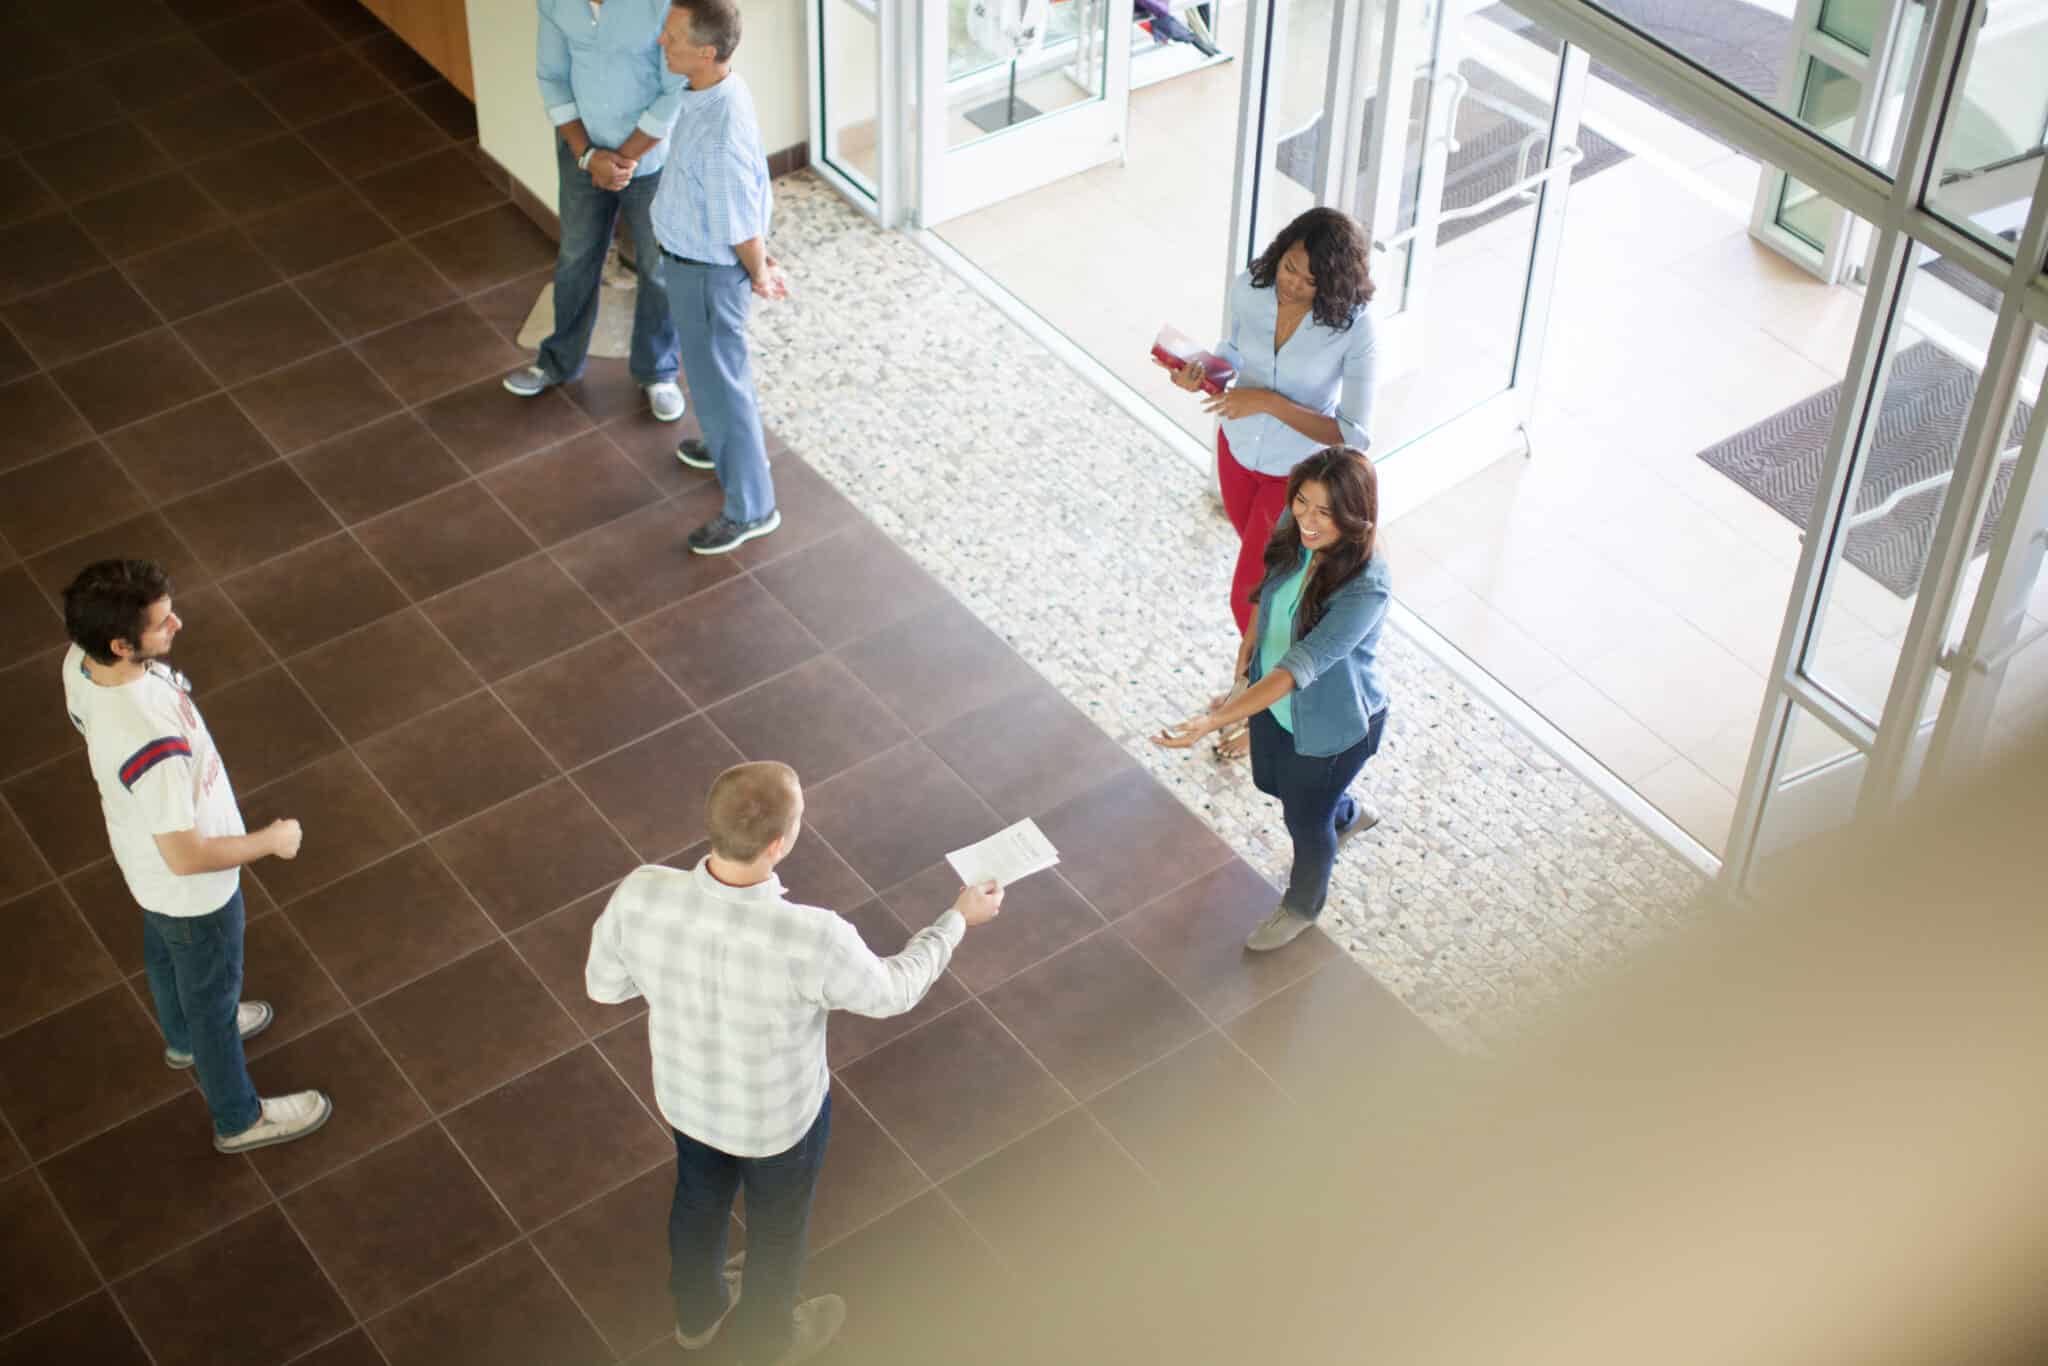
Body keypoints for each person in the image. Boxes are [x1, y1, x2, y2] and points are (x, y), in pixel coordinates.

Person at [585, 760, 1003, 1365]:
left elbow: (605, 987)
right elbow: (893, 993)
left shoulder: (642, 890)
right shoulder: (813, 936)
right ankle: (767, 1344)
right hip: (778, 1125)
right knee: (777, 1230)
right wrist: (956, 921)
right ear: (779, 844)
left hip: (687, 1100)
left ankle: (696, 1319)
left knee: (698, 1200)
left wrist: (669, 979)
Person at [58, 560, 332, 1154]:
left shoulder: (81, 665)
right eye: (161, 624)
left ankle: (182, 1038)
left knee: (166, 952)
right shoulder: (149, 743)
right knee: (212, 997)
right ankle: (239, 1117)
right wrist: (271, 841)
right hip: (192, 891)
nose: (177, 624)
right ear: (120, 643)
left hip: (144, 869)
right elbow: (186, 857)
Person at [1152, 447, 1389, 951]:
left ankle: (1302, 906)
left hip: (1332, 729)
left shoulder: (1366, 588)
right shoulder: (1298, 526)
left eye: (1325, 511)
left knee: (1304, 822)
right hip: (1273, 708)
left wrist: (1213, 721)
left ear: (1355, 515)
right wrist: (1245, 657)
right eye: (1302, 501)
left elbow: (1295, 670)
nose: (1306, 518)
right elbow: (1271, 584)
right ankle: (1345, 812)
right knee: (1271, 781)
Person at [1169, 208, 1377, 755]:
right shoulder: (1252, 288)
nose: (1292, 285)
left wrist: (1265, 402)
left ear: (1333, 284)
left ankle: (1255, 711)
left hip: (1296, 478)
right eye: (1289, 268)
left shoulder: (1354, 329)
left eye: (1311, 281)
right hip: (1237, 453)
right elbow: (1235, 352)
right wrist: (1201, 371)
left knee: (1253, 594)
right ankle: (1259, 695)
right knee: (1272, 594)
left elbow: (1354, 434)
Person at [650, 0, 790, 555]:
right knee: (714, 377)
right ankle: (721, 442)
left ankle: (752, 509)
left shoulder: (720, 132)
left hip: (707, 274)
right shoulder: (718, 89)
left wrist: (760, 269)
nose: (662, 43)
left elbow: (737, 221)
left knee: (720, 383)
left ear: (706, 52)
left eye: (672, 37)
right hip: (695, 264)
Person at [505, 0, 687, 423]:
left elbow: (674, 88)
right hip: (581, 153)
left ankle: (658, 372)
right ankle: (556, 362)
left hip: (649, 159)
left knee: (657, 265)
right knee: (575, 257)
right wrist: (587, 155)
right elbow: (552, 77)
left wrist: (621, 159)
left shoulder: (658, 5)